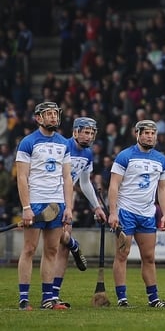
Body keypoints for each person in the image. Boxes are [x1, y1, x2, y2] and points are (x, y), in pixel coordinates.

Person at [15, 102, 73, 310]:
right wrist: (26, 207)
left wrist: (68, 207)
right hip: (36, 202)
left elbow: (67, 177)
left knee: (52, 250)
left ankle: (48, 299)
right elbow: (22, 177)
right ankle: (24, 299)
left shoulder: (64, 143)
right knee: (29, 249)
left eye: (55, 113)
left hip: (57, 203)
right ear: (38, 118)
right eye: (48, 114)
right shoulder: (28, 142)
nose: (52, 117)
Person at [107, 120, 165, 307]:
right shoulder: (125, 156)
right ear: (137, 134)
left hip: (148, 213)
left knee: (149, 257)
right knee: (122, 254)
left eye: (153, 133)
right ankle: (122, 298)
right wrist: (113, 212)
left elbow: (163, 188)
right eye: (146, 133)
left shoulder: (161, 159)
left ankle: (153, 298)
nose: (150, 136)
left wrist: (164, 214)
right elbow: (113, 185)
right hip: (126, 211)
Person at [52, 117, 108, 307]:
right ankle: (74, 244)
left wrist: (97, 206)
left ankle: (53, 296)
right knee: (59, 242)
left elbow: (84, 183)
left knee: (61, 249)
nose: (89, 136)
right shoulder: (61, 146)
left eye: (92, 133)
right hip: (47, 198)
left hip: (66, 202)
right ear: (75, 131)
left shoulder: (88, 154)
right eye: (85, 131)